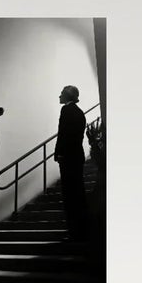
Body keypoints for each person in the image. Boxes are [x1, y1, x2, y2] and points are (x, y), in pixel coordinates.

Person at [54, 84, 88, 242]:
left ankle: (73, 231)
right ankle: (80, 230)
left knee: (69, 195)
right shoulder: (80, 113)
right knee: (78, 194)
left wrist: (59, 153)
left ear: (68, 95)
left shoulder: (66, 110)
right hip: (77, 157)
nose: (59, 96)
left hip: (68, 158)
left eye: (61, 93)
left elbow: (64, 134)